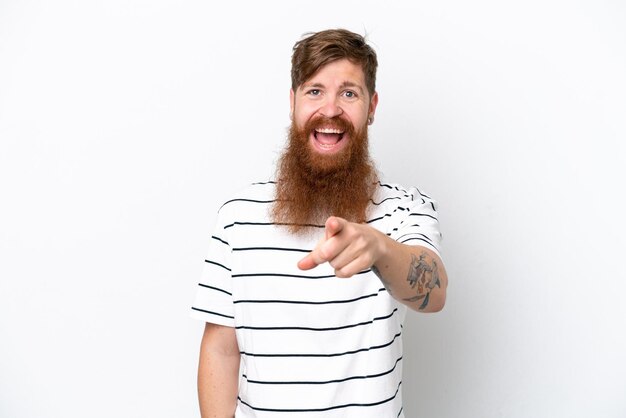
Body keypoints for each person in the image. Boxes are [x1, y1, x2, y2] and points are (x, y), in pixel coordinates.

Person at [191, 28, 448, 418]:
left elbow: (435, 292)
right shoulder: (238, 215)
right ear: (292, 102)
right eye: (315, 91)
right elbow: (221, 348)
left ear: (372, 106)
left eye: (349, 93)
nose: (330, 109)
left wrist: (379, 248)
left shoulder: (405, 209)